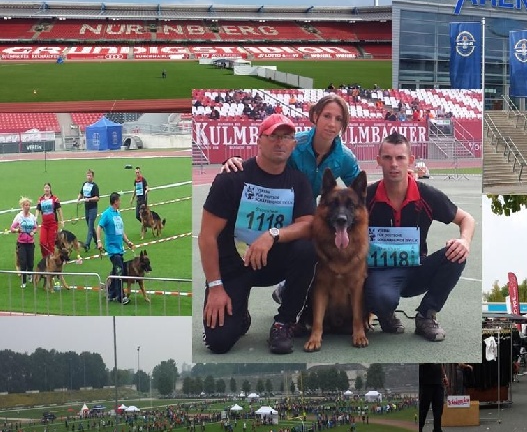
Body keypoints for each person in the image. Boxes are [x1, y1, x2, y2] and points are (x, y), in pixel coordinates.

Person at [221, 94, 361, 303]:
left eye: (339, 119)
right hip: (274, 207)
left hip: (304, 210)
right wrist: (233, 160)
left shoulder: (345, 157)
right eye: (327, 116)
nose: (332, 124)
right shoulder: (296, 144)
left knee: (318, 242)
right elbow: (263, 160)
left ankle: (294, 292)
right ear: (315, 116)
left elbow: (360, 189)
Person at [198, 114, 316, 355]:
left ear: (294, 144)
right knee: (218, 343)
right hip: (234, 265)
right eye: (273, 136)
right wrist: (216, 287)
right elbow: (207, 236)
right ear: (259, 140)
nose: (280, 142)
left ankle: (284, 322)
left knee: (308, 248)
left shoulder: (298, 181)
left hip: (273, 261)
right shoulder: (231, 178)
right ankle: (240, 316)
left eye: (286, 137)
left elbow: (308, 224)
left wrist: (271, 234)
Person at [364, 132, 475, 341]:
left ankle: (426, 315)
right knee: (381, 297)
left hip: (417, 270)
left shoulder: (426, 195)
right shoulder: (367, 197)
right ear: (378, 161)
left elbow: (467, 219)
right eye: (387, 158)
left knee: (456, 254)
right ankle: (383, 313)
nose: (394, 164)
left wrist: (465, 241)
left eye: (400, 158)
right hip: (380, 273)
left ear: (411, 161)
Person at [97, 192, 134, 305]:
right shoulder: (107, 214)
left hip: (120, 248)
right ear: (115, 201)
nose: (120, 202)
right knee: (119, 272)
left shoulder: (118, 214)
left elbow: (120, 230)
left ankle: (111, 293)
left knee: (115, 271)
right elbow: (99, 227)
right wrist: (99, 241)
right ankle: (120, 296)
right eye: (119, 200)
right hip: (113, 250)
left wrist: (127, 241)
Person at [418, 363, 450, 432]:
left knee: (438, 408)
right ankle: (419, 431)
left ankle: (437, 431)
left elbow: (440, 363)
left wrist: (444, 376)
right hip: (426, 381)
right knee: (424, 407)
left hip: (438, 381)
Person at [11, 197, 37, 288]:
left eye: (29, 205)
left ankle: (30, 274)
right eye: (26, 205)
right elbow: (12, 228)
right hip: (21, 243)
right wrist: (17, 230)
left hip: (30, 243)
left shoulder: (32, 217)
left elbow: (35, 228)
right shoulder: (19, 217)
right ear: (22, 206)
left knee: (30, 263)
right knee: (23, 262)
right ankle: (23, 281)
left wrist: (33, 232)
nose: (28, 207)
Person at [35, 183, 64, 259]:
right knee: (42, 242)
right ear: (43, 189)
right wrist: (36, 218)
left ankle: (52, 258)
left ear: (50, 189)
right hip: (44, 225)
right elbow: (38, 209)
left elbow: (59, 209)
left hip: (53, 224)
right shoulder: (41, 199)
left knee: (51, 243)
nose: (46, 189)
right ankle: (45, 257)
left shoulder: (55, 199)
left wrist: (62, 220)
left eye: (48, 188)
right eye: (45, 188)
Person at [77, 169, 100, 252]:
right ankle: (97, 241)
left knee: (90, 227)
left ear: (93, 177)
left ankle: (87, 244)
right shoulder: (84, 184)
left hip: (93, 209)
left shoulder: (94, 186)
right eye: (87, 175)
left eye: (90, 175)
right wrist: (79, 197)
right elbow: (81, 193)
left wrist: (89, 199)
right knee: (90, 227)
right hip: (86, 209)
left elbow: (97, 198)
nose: (88, 177)